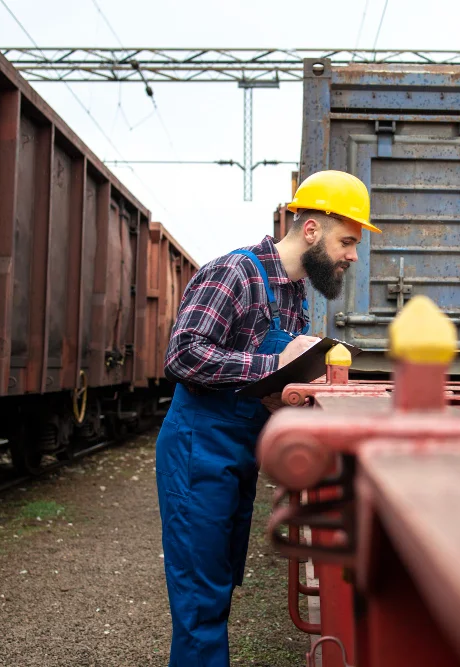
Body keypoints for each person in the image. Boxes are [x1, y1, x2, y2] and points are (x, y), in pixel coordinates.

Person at [155, 170, 380, 665]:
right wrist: (273, 365)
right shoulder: (234, 272)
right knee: (199, 597)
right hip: (198, 450)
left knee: (219, 581)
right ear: (312, 230)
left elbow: (262, 377)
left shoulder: (294, 296)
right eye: (347, 242)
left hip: (236, 453)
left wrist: (286, 394)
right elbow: (183, 355)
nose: (352, 256)